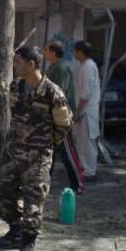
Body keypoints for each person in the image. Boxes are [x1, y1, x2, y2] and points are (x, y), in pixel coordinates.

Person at [0, 46, 73, 251]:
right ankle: (15, 230)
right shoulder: (16, 86)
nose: (14, 66)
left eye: (18, 62)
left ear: (32, 64)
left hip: (37, 157)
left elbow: (64, 124)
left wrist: (45, 145)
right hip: (13, 152)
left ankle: (28, 242)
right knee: (3, 192)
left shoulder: (52, 92)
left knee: (33, 201)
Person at [45, 41, 85, 194]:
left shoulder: (61, 68)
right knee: (50, 152)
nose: (44, 53)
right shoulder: (54, 67)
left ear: (53, 52)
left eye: (46, 50)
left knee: (67, 153)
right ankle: (45, 183)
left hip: (61, 117)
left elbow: (58, 92)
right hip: (53, 116)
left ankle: (78, 184)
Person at [72, 41, 101, 181]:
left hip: (87, 110)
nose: (73, 53)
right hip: (85, 108)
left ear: (80, 52)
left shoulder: (88, 67)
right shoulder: (85, 66)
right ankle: (84, 168)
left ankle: (90, 171)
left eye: (74, 51)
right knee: (81, 142)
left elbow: (86, 93)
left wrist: (78, 111)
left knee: (87, 142)